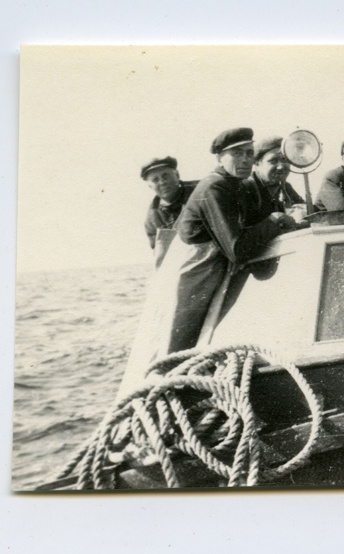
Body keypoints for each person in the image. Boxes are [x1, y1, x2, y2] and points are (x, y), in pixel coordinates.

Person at [118, 128, 296, 398]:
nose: (245, 160)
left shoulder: (232, 184)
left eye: (249, 153)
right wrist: (274, 221)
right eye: (237, 154)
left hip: (208, 267)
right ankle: (161, 397)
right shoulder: (215, 187)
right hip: (191, 273)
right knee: (174, 346)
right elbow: (237, 249)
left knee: (192, 344)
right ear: (220, 158)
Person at [140, 156, 197, 249]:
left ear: (177, 175)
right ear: (150, 186)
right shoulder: (152, 219)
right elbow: (161, 254)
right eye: (155, 180)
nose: (162, 182)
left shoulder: (200, 191)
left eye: (165, 176)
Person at [243, 136, 305, 213]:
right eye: (273, 160)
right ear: (257, 163)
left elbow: (304, 209)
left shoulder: (285, 187)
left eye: (285, 159)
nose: (281, 166)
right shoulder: (246, 188)